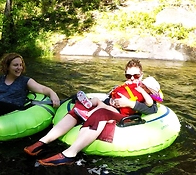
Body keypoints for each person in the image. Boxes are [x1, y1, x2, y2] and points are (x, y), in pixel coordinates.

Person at [24, 59, 160, 166]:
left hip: (126, 117)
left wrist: (130, 103)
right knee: (79, 107)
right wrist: (111, 101)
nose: (131, 79)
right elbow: (109, 99)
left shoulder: (145, 89)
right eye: (128, 75)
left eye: (135, 76)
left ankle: (69, 154)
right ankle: (43, 142)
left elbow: (153, 108)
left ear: (141, 75)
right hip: (112, 109)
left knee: (101, 112)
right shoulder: (122, 87)